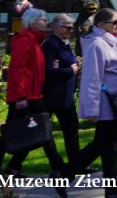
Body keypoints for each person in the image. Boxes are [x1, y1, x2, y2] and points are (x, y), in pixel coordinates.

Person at [0, 8, 67, 197]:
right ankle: (60, 170)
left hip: (33, 96)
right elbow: (18, 70)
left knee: (31, 134)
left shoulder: (35, 41)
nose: (46, 23)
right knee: (34, 134)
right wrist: (21, 97)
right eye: (42, 20)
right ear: (32, 22)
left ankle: (5, 168)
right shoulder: (25, 41)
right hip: (26, 98)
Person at [73, 8, 117, 198]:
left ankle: (64, 173)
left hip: (115, 102)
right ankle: (112, 192)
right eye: (114, 22)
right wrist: (92, 108)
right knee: (109, 147)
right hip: (105, 104)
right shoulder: (98, 44)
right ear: (100, 25)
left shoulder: (114, 42)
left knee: (102, 145)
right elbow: (92, 78)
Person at [42, 14, 85, 168]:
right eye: (67, 27)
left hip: (65, 97)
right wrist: (70, 70)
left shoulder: (63, 43)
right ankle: (15, 164)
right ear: (56, 28)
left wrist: (67, 67)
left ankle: (76, 164)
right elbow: (47, 70)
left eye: (72, 27)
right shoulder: (51, 44)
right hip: (54, 96)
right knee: (41, 131)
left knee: (71, 130)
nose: (71, 30)